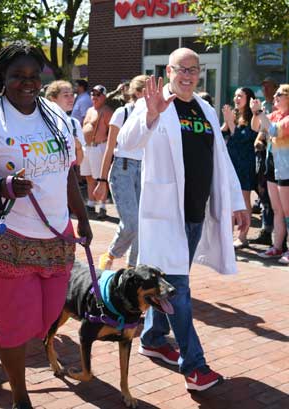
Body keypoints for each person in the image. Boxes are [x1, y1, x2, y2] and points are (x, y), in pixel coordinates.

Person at [0, 42, 91, 409]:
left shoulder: (57, 117)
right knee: (17, 326)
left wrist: (83, 218)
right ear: (3, 77)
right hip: (3, 238)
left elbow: (67, 173)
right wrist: (2, 187)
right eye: (17, 76)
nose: (27, 83)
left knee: (43, 324)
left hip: (56, 236)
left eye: (33, 76)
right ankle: (20, 398)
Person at [116, 48, 249, 392]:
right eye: (182, 69)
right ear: (169, 70)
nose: (188, 75)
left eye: (194, 69)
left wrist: (235, 201)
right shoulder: (154, 103)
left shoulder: (203, 108)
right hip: (164, 217)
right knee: (179, 293)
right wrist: (149, 116)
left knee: (173, 283)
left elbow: (219, 158)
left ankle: (154, 337)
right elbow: (126, 144)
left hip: (194, 216)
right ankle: (194, 366)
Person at [94, 74, 149, 270]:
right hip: (122, 169)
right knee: (132, 222)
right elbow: (109, 149)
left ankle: (133, 268)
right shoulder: (122, 113)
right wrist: (101, 180)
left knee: (142, 223)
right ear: (137, 93)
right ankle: (110, 254)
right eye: (148, 90)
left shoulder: (153, 115)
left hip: (144, 169)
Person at [251, 84, 289, 263]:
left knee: (288, 211)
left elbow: (274, 130)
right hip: (273, 166)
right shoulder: (274, 115)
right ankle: (277, 247)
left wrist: (260, 113)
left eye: (279, 94)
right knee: (277, 210)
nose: (274, 96)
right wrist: (255, 112)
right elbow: (256, 127)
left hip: (286, 169)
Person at [221, 87, 258, 248]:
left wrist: (230, 122)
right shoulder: (233, 115)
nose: (236, 98)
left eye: (240, 96)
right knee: (229, 200)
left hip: (244, 162)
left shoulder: (253, 117)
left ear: (248, 98)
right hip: (231, 161)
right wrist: (225, 123)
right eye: (235, 95)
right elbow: (222, 135)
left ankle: (242, 237)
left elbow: (243, 139)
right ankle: (228, 236)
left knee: (243, 199)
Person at [81, 85, 112, 218]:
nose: (94, 97)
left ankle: (103, 207)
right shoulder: (89, 110)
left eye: (98, 94)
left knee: (101, 178)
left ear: (104, 97)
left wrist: (111, 150)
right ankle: (91, 204)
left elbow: (113, 131)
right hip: (87, 148)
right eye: (93, 94)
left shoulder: (107, 111)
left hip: (99, 147)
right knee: (88, 177)